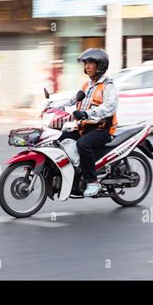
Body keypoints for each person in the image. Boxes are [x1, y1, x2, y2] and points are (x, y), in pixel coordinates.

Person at [50, 48, 118, 197]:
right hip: (84, 129)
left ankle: (92, 181)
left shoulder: (108, 86)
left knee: (83, 144)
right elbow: (71, 100)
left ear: (100, 65)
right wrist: (52, 105)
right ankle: (71, 172)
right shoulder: (86, 86)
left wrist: (87, 113)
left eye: (90, 63)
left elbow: (109, 108)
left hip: (102, 131)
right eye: (85, 63)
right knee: (59, 137)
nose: (86, 67)